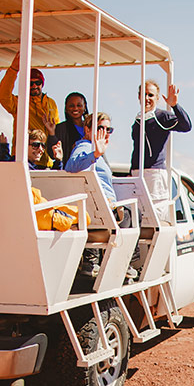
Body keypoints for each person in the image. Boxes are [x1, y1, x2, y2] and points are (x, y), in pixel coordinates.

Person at [65, 111, 135, 280]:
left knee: (129, 213)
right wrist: (95, 154)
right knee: (132, 214)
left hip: (100, 207)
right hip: (101, 208)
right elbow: (71, 166)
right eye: (100, 128)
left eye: (108, 129)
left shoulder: (97, 152)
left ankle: (98, 261)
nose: (104, 132)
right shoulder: (85, 147)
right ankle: (121, 262)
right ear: (87, 130)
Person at [130, 80, 192, 200]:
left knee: (155, 215)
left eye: (151, 95)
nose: (147, 98)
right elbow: (136, 150)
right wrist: (131, 171)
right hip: (136, 173)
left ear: (157, 98)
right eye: (143, 94)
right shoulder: (138, 121)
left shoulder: (162, 117)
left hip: (154, 175)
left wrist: (175, 106)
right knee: (137, 214)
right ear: (138, 96)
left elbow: (186, 126)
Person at [0, 51, 59, 155]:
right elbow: (2, 95)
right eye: (30, 83)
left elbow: (57, 129)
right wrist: (13, 70)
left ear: (42, 84)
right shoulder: (19, 102)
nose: (34, 86)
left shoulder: (51, 102)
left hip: (45, 158)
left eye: (38, 83)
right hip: (23, 156)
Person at [45, 92, 88, 168]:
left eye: (79, 105)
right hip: (70, 171)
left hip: (89, 169)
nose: (75, 108)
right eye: (71, 106)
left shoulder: (92, 127)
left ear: (85, 108)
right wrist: (52, 133)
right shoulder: (61, 128)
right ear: (66, 108)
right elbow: (52, 154)